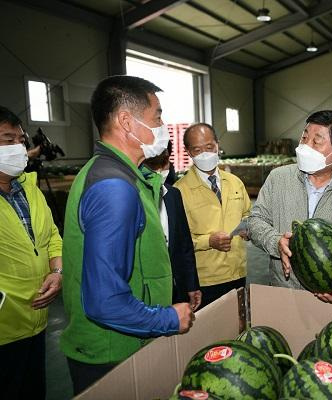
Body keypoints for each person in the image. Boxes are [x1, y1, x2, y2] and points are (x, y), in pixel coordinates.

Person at [60, 76, 194, 395]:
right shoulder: (114, 188)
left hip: (125, 341)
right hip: (112, 354)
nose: (162, 126)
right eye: (157, 117)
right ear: (126, 122)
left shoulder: (114, 175)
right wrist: (167, 319)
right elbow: (104, 301)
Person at [248, 110, 332, 304]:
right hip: (282, 291)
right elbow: (255, 220)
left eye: (316, 141)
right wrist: (276, 241)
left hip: (327, 298)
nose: (305, 146)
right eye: (304, 138)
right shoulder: (278, 178)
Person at [0, 106, 63, 399]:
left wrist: (57, 272)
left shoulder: (30, 188)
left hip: (37, 321)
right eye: (7, 139)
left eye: (20, 140)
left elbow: (52, 237)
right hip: (4, 330)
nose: (17, 147)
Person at [175, 123, 251, 307]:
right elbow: (177, 242)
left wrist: (249, 229)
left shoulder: (235, 182)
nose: (205, 154)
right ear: (189, 152)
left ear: (218, 145)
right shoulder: (179, 191)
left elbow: (248, 214)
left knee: (238, 322)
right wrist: (208, 241)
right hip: (205, 281)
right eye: (197, 150)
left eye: (209, 147)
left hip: (238, 273)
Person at [143, 144, 201, 308]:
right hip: (147, 293)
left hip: (177, 287)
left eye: (163, 161)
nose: (159, 169)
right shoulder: (135, 197)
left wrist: (192, 285)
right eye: (153, 164)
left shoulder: (173, 195)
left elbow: (184, 244)